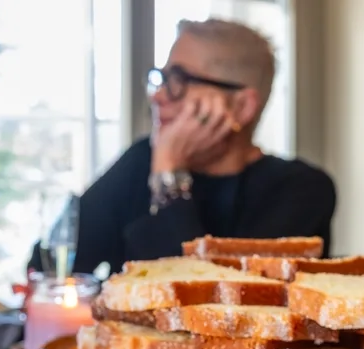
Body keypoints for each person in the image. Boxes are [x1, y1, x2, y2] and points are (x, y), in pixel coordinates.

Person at [46, 18, 337, 274]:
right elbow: (50, 266)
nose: (158, 96)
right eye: (162, 79)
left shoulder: (301, 189)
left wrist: (168, 177)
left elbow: (196, 302)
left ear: (241, 106)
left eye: (179, 80)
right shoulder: (141, 160)